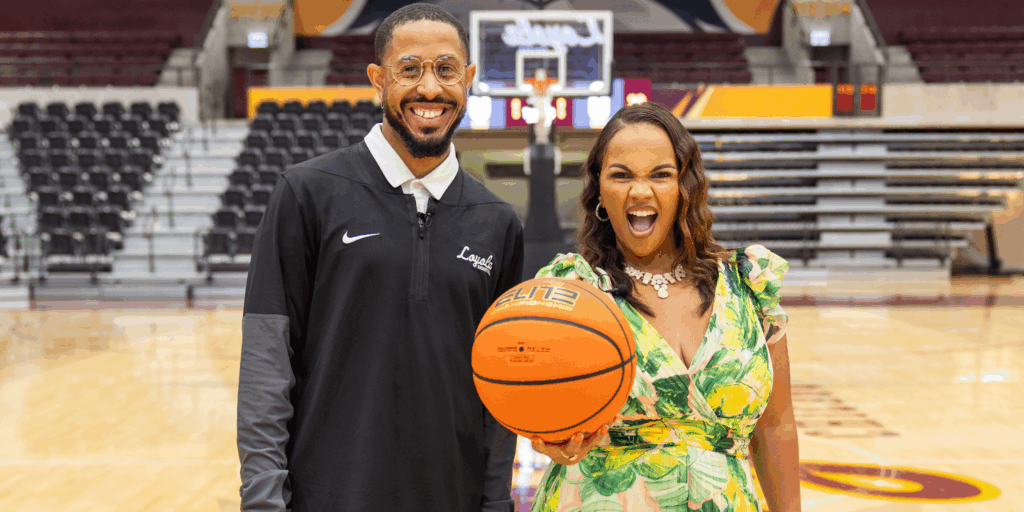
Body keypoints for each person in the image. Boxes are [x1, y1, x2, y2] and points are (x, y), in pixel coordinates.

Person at [236, 4, 524, 511]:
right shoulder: (307, 194)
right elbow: (267, 363)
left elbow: (499, 396)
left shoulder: (497, 222)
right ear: (378, 79)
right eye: (409, 69)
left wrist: (496, 502)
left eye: (446, 69)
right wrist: (262, 501)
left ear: (470, 79)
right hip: (327, 497)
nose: (430, 89)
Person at [528, 102, 802, 512]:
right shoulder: (572, 290)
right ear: (599, 191)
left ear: (684, 187)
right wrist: (554, 442)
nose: (640, 192)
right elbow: (540, 412)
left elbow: (776, 427)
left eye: (661, 175)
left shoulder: (748, 285)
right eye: (621, 176)